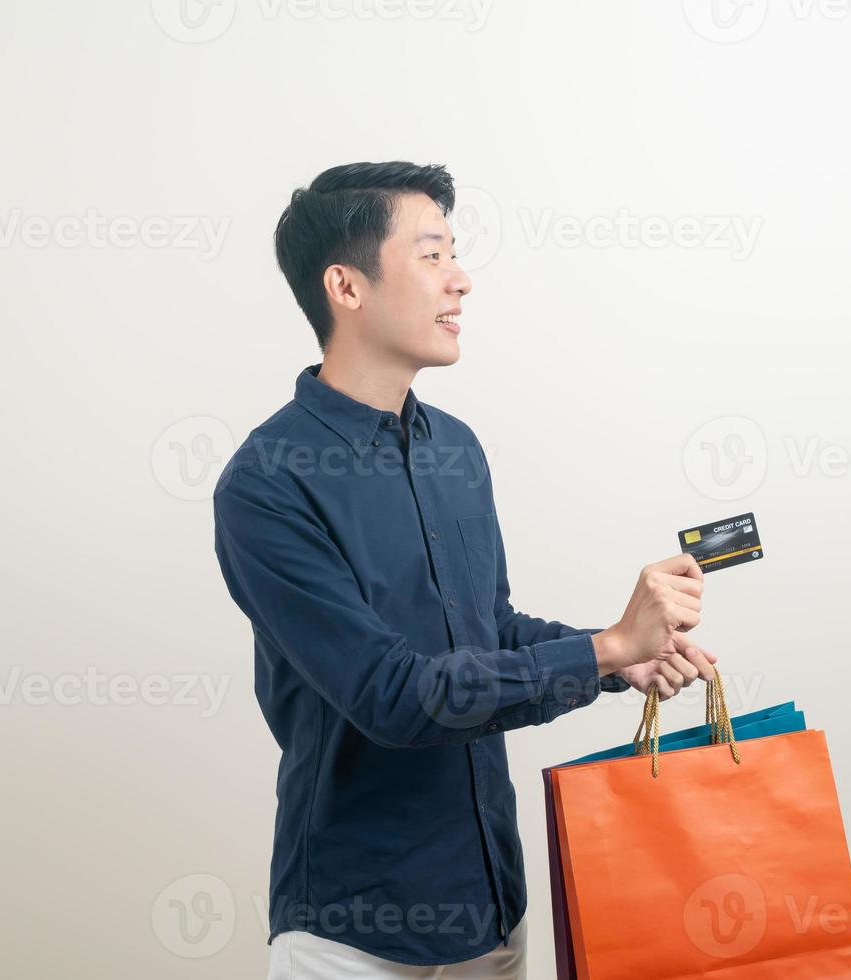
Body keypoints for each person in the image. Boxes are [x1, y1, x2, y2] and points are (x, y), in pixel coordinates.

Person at [213, 161, 719, 978]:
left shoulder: (455, 448)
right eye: (432, 254)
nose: (463, 279)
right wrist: (603, 649)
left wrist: (624, 654)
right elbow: (394, 696)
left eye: (456, 253)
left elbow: (489, 630)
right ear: (346, 286)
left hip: (492, 913)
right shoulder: (267, 482)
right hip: (352, 935)